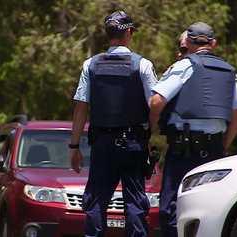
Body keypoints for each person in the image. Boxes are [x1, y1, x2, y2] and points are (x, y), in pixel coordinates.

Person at [149, 22, 237, 237]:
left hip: (183, 152)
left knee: (171, 209)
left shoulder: (185, 65)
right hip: (214, 152)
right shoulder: (229, 72)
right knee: (209, 211)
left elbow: (156, 102)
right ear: (214, 44)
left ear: (189, 42)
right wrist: (223, 147)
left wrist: (152, 130)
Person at [69, 10, 158, 237]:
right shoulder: (143, 65)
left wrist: (74, 146)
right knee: (135, 204)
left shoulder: (90, 64)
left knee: (96, 202)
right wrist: (153, 139)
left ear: (108, 34)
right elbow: (155, 105)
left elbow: (81, 107)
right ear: (129, 32)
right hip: (134, 144)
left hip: (102, 144)